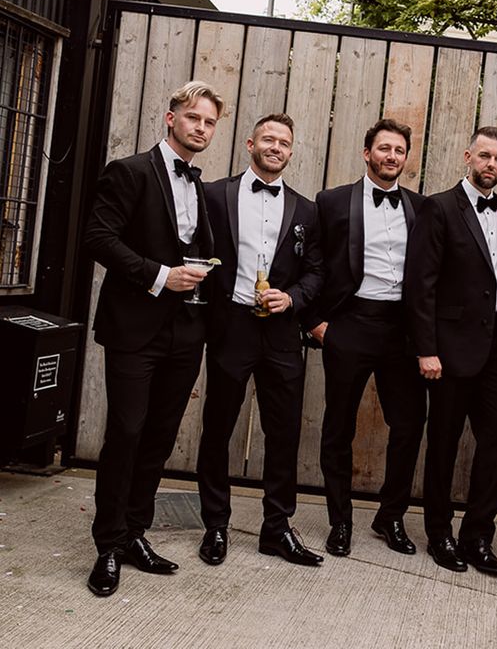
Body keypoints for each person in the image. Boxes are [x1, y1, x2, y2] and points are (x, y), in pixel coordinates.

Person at [85, 80, 222, 597]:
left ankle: (134, 534)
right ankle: (106, 546)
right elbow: (98, 237)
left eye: (209, 122)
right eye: (194, 119)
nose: (201, 129)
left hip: (186, 331)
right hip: (134, 328)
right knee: (126, 431)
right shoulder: (130, 171)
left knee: (160, 436)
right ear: (171, 119)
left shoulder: (200, 187)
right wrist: (160, 275)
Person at [196, 113, 324, 568]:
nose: (276, 147)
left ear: (291, 151)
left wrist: (291, 300)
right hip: (231, 326)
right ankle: (215, 525)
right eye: (268, 139)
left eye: (284, 142)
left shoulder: (307, 210)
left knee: (284, 432)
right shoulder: (214, 195)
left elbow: (316, 272)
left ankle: (277, 529)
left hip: (282, 332)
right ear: (250, 143)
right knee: (218, 427)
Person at [404, 126, 497, 576]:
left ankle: (477, 537)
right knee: (444, 444)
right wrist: (426, 349)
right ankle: (439, 534)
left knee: (494, 445)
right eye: (485, 155)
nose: (491, 164)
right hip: (449, 351)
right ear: (468, 156)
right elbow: (421, 284)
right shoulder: (439, 206)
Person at [308, 119, 426, 558]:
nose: (391, 156)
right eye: (384, 148)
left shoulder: (420, 207)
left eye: (399, 150)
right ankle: (340, 522)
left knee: (410, 424)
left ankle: (390, 516)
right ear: (367, 153)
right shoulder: (332, 202)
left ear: (406, 157)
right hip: (350, 324)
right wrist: (316, 323)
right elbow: (313, 264)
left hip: (401, 330)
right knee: (338, 427)